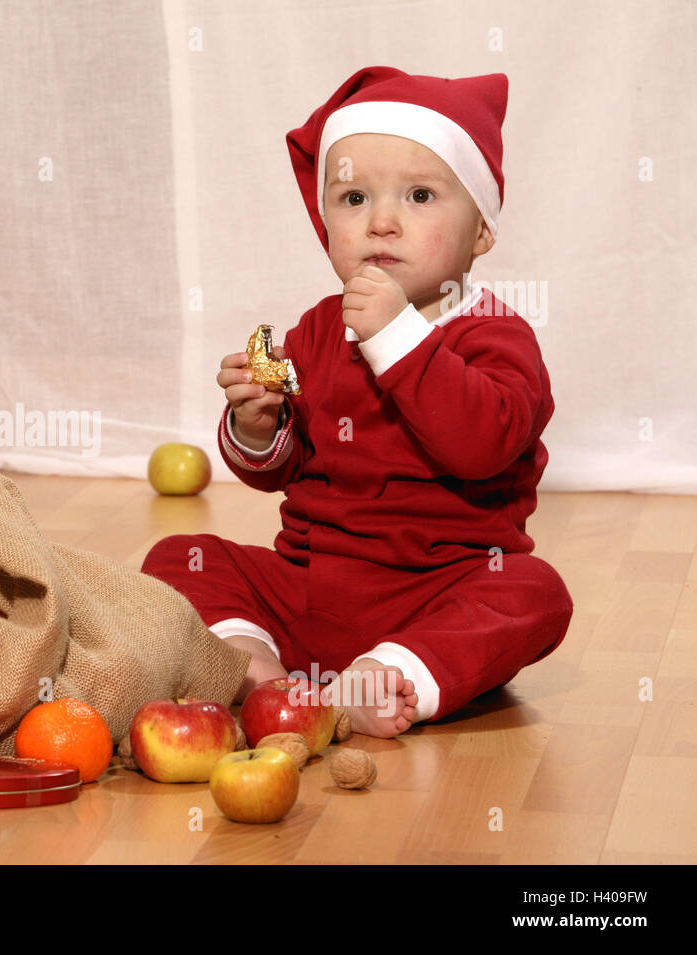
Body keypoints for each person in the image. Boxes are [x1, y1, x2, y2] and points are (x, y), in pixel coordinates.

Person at [141, 66, 573, 738]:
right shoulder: (315, 329)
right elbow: (279, 471)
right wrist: (259, 426)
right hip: (310, 584)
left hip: (440, 588)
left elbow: (481, 445)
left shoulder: (496, 335)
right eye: (352, 199)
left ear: (481, 231)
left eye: (421, 195)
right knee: (182, 554)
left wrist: (399, 335)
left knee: (535, 593)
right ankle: (254, 665)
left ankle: (389, 671)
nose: (381, 222)